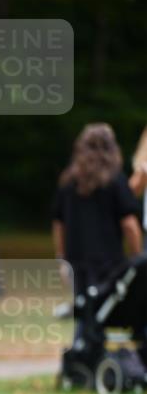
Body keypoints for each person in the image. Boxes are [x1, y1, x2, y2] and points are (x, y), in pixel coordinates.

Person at [52, 123, 142, 308]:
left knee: (86, 312)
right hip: (110, 265)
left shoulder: (68, 181)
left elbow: (58, 223)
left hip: (76, 264)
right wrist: (137, 258)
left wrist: (61, 258)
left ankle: (85, 336)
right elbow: (130, 224)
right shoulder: (116, 181)